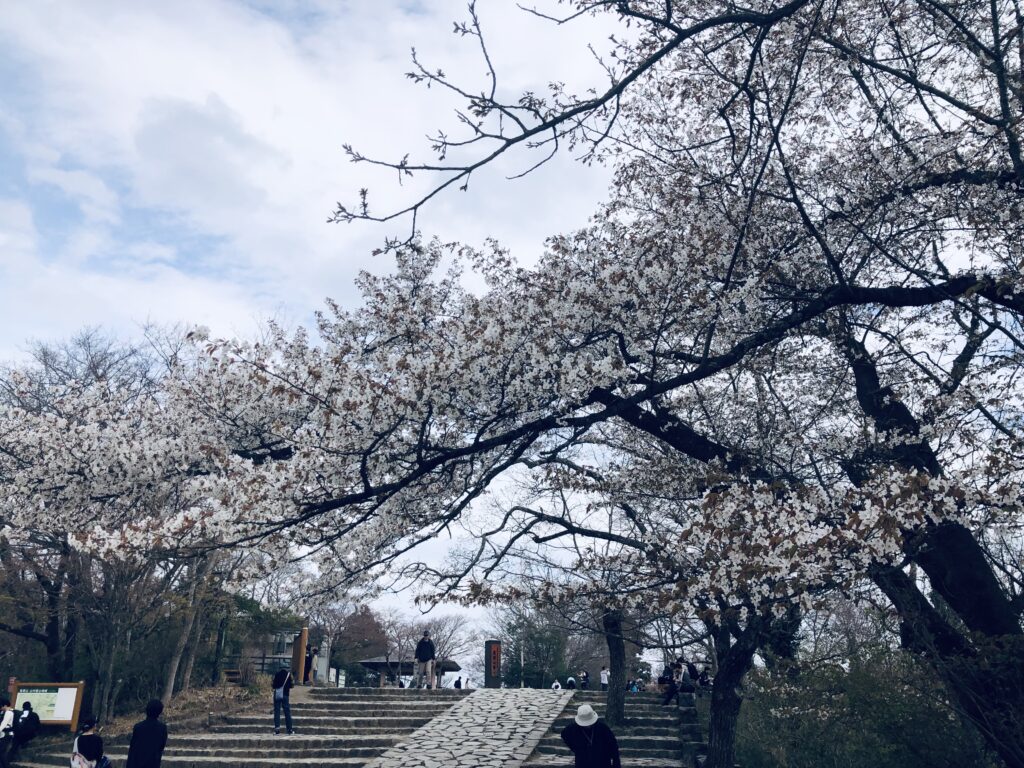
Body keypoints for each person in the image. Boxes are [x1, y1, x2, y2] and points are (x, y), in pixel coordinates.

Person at [560, 704, 621, 768]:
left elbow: (614, 746)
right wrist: (576, 748)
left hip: (602, 762)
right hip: (582, 763)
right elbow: (564, 734)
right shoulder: (573, 728)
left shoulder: (602, 728)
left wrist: (616, 764)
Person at [125, 699, 168, 768]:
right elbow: (161, 747)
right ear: (160, 712)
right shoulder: (162, 728)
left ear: (147, 710)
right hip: (153, 763)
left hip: (137, 763)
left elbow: (133, 749)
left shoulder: (138, 727)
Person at [271, 664, 295, 735]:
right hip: (285, 694)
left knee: (277, 711)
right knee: (287, 712)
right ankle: (289, 729)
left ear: (280, 668)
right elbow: (292, 685)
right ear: (286, 668)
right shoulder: (289, 675)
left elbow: (273, 685)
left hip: (277, 694)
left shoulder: (277, 674)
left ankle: (277, 729)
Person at [0, 698, 14, 768]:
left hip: (6, 735)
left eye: (1, 706)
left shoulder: (9, 713)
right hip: (3, 735)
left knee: (1, 752)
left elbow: (4, 724)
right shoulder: (5, 712)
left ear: (5, 705)